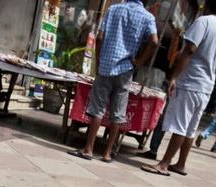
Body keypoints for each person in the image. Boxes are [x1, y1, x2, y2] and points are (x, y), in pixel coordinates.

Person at [141, 0, 216, 177]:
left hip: (191, 81)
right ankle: (180, 164)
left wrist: (174, 76)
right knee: (190, 128)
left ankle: (164, 164)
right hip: (206, 84)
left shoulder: (203, 21)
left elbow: (189, 49)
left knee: (180, 125)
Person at [67, 0, 158, 163]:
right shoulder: (147, 17)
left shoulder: (113, 9)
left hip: (106, 66)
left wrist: (99, 59)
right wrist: (139, 62)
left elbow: (100, 37)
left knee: (98, 109)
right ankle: (107, 153)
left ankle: (88, 149)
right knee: (118, 112)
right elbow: (154, 41)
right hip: (126, 68)